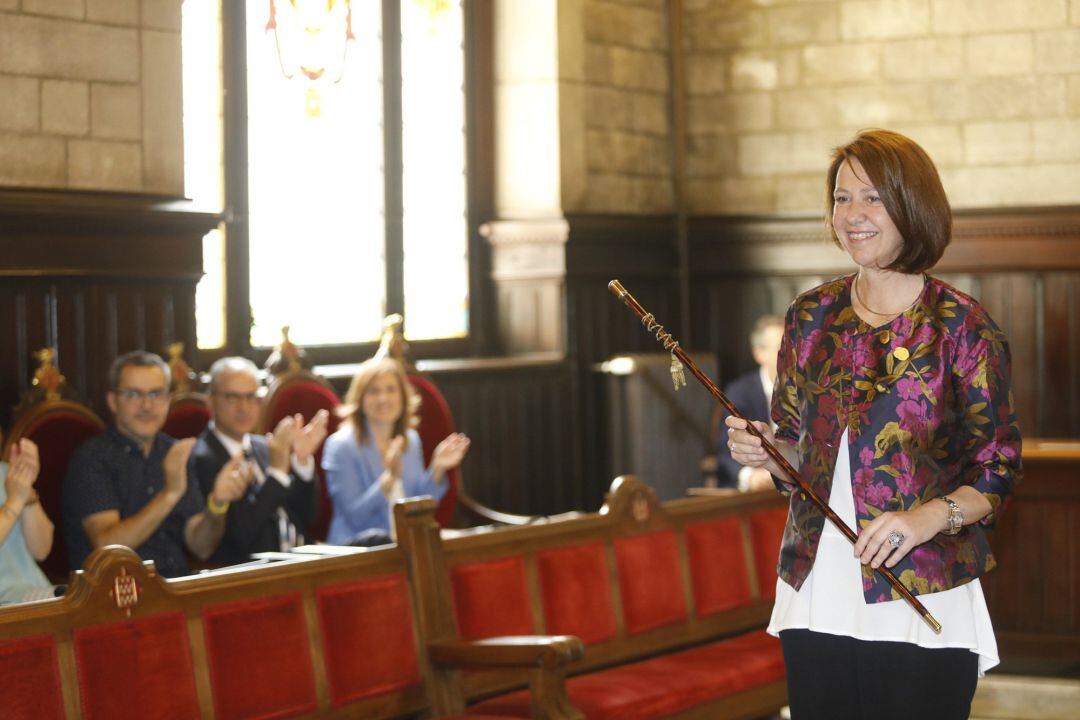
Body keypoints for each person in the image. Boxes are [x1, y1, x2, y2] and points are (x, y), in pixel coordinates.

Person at [725, 129, 1021, 719]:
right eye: (842, 198)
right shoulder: (810, 315)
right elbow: (797, 448)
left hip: (923, 584)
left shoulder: (961, 326)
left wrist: (925, 518)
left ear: (914, 206)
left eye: (873, 198)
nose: (852, 214)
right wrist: (767, 447)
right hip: (817, 584)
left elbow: (998, 467)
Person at [62, 351, 249, 578]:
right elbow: (107, 547)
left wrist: (217, 505)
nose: (147, 405)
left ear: (168, 400)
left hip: (175, 585)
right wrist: (169, 494)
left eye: (156, 394)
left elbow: (201, 547)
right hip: (116, 590)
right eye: (134, 394)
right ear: (113, 401)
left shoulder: (173, 452)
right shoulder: (92, 458)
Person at [189, 357, 329, 565]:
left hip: (302, 558)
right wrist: (277, 473)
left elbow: (307, 517)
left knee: (373, 544)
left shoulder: (264, 446)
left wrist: (301, 462)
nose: (244, 407)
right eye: (232, 398)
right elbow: (239, 538)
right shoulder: (202, 458)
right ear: (210, 401)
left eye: (251, 397)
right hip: (257, 571)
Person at [322, 357, 469, 545]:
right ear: (360, 399)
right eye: (373, 391)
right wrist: (388, 480)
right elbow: (355, 517)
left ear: (403, 397)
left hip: (405, 545)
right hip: (357, 550)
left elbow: (418, 507)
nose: (383, 399)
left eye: (391, 389)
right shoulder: (340, 446)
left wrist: (437, 468)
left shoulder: (410, 440)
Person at [710, 314, 784, 491]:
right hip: (751, 493)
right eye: (781, 348)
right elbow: (725, 449)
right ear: (759, 354)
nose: (790, 356)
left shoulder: (807, 392)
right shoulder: (740, 392)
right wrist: (750, 477)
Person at [0, 437, 56, 604]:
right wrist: (15, 500)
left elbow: (41, 550)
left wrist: (28, 493)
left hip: (34, 595)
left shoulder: (8, 474)